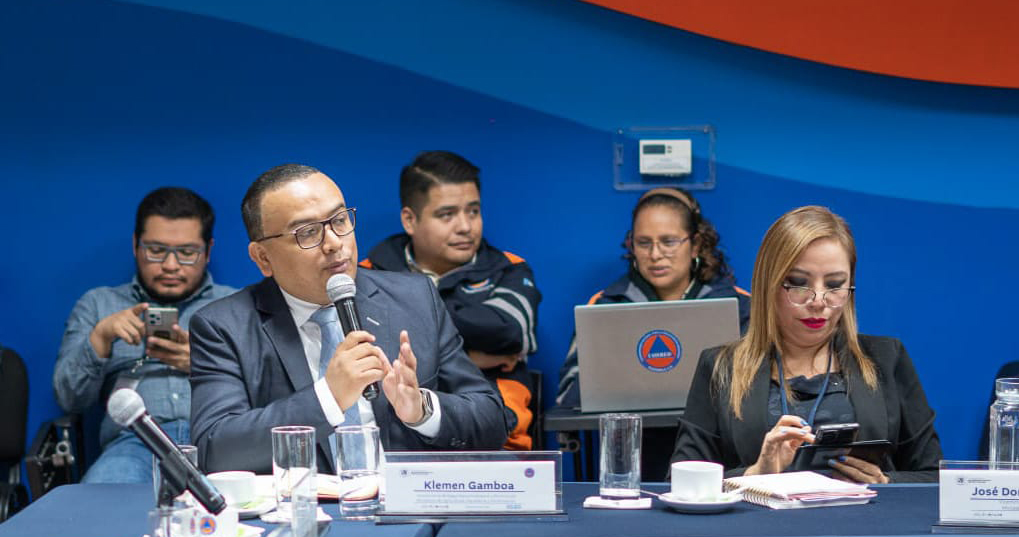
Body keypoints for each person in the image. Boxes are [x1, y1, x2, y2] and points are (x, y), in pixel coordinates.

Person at [189, 164, 508, 474]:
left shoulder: (415, 299)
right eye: (308, 232)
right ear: (263, 257)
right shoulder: (224, 327)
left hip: (406, 501)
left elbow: (492, 419)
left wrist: (422, 409)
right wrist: (328, 397)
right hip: (308, 505)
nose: (334, 243)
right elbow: (215, 449)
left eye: (340, 220)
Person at [671, 205, 941, 482]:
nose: (818, 301)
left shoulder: (887, 358)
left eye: (834, 285)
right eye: (799, 283)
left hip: (866, 511)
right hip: (758, 511)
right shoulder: (720, 368)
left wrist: (886, 483)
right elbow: (680, 483)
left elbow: (934, 477)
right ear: (768, 285)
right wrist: (754, 475)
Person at [555, 187, 749, 479]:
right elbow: (569, 391)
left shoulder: (737, 306)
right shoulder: (606, 306)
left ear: (695, 244)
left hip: (719, 462)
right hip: (633, 462)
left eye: (669, 242)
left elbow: (758, 390)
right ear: (631, 246)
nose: (655, 255)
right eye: (644, 243)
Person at [53, 187, 235, 483]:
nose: (170, 266)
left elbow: (274, 394)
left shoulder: (236, 305)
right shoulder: (99, 304)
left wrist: (206, 365)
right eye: (156, 250)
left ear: (208, 251)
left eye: (187, 253)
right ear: (135, 245)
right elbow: (68, 400)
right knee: (102, 494)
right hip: (134, 443)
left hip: (221, 439)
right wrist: (100, 339)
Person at [363, 151, 541, 450]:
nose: (465, 226)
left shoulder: (509, 268)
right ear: (410, 220)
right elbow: (369, 356)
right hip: (397, 439)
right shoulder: (369, 274)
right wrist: (473, 354)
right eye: (447, 215)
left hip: (497, 439)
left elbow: (510, 333)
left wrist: (414, 317)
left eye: (473, 211)